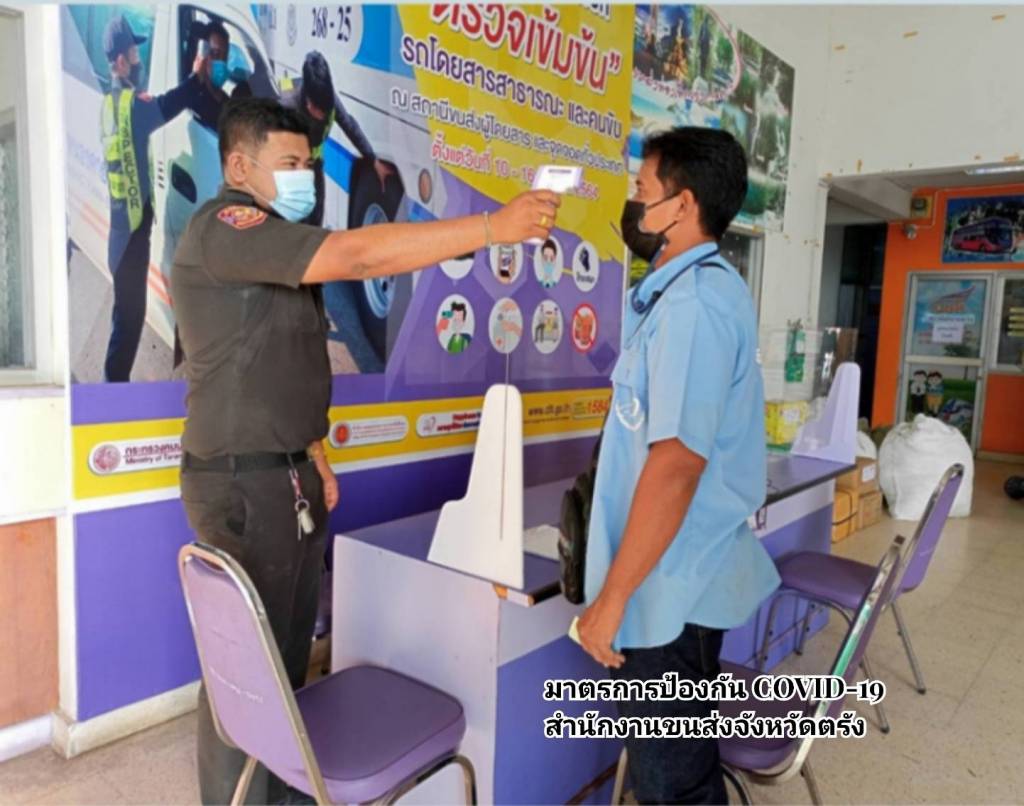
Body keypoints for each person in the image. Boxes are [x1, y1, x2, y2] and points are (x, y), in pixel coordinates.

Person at [171, 97, 557, 805]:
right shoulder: (227, 227)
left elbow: (279, 362)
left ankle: (285, 791)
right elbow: (357, 255)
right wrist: (489, 228)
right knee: (247, 676)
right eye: (289, 163)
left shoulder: (276, 245)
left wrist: (314, 452)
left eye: (308, 162)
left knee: (288, 658)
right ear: (239, 167)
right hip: (245, 483)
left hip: (285, 473)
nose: (304, 176)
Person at [577, 127, 780, 804]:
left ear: (682, 205)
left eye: (642, 189)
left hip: (669, 590)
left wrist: (612, 600)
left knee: (674, 785)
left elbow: (676, 466)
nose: (633, 203)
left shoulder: (694, 305)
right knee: (674, 768)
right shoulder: (695, 291)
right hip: (676, 574)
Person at [99, 14, 208, 382]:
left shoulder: (112, 103)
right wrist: (196, 75)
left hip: (121, 236)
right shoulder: (132, 107)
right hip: (130, 241)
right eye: (133, 53)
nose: (138, 59)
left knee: (125, 322)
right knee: (127, 329)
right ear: (120, 61)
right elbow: (172, 102)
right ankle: (112, 399)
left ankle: (113, 392)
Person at [279, 50, 391, 226]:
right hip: (292, 171)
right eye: (320, 111)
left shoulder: (328, 99)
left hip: (315, 165)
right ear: (308, 102)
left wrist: (373, 160)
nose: (324, 115)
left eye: (327, 110)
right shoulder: (287, 106)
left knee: (316, 219)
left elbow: (350, 126)